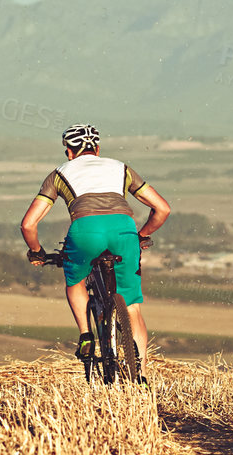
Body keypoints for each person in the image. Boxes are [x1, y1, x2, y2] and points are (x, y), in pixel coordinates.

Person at [19, 123, 170, 375]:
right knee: (132, 308)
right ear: (97, 149)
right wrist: (142, 235)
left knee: (76, 280)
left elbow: (28, 224)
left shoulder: (59, 174)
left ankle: (86, 334)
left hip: (85, 230)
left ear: (69, 151)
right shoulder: (121, 168)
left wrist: (36, 251)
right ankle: (141, 375)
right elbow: (163, 209)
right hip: (124, 229)